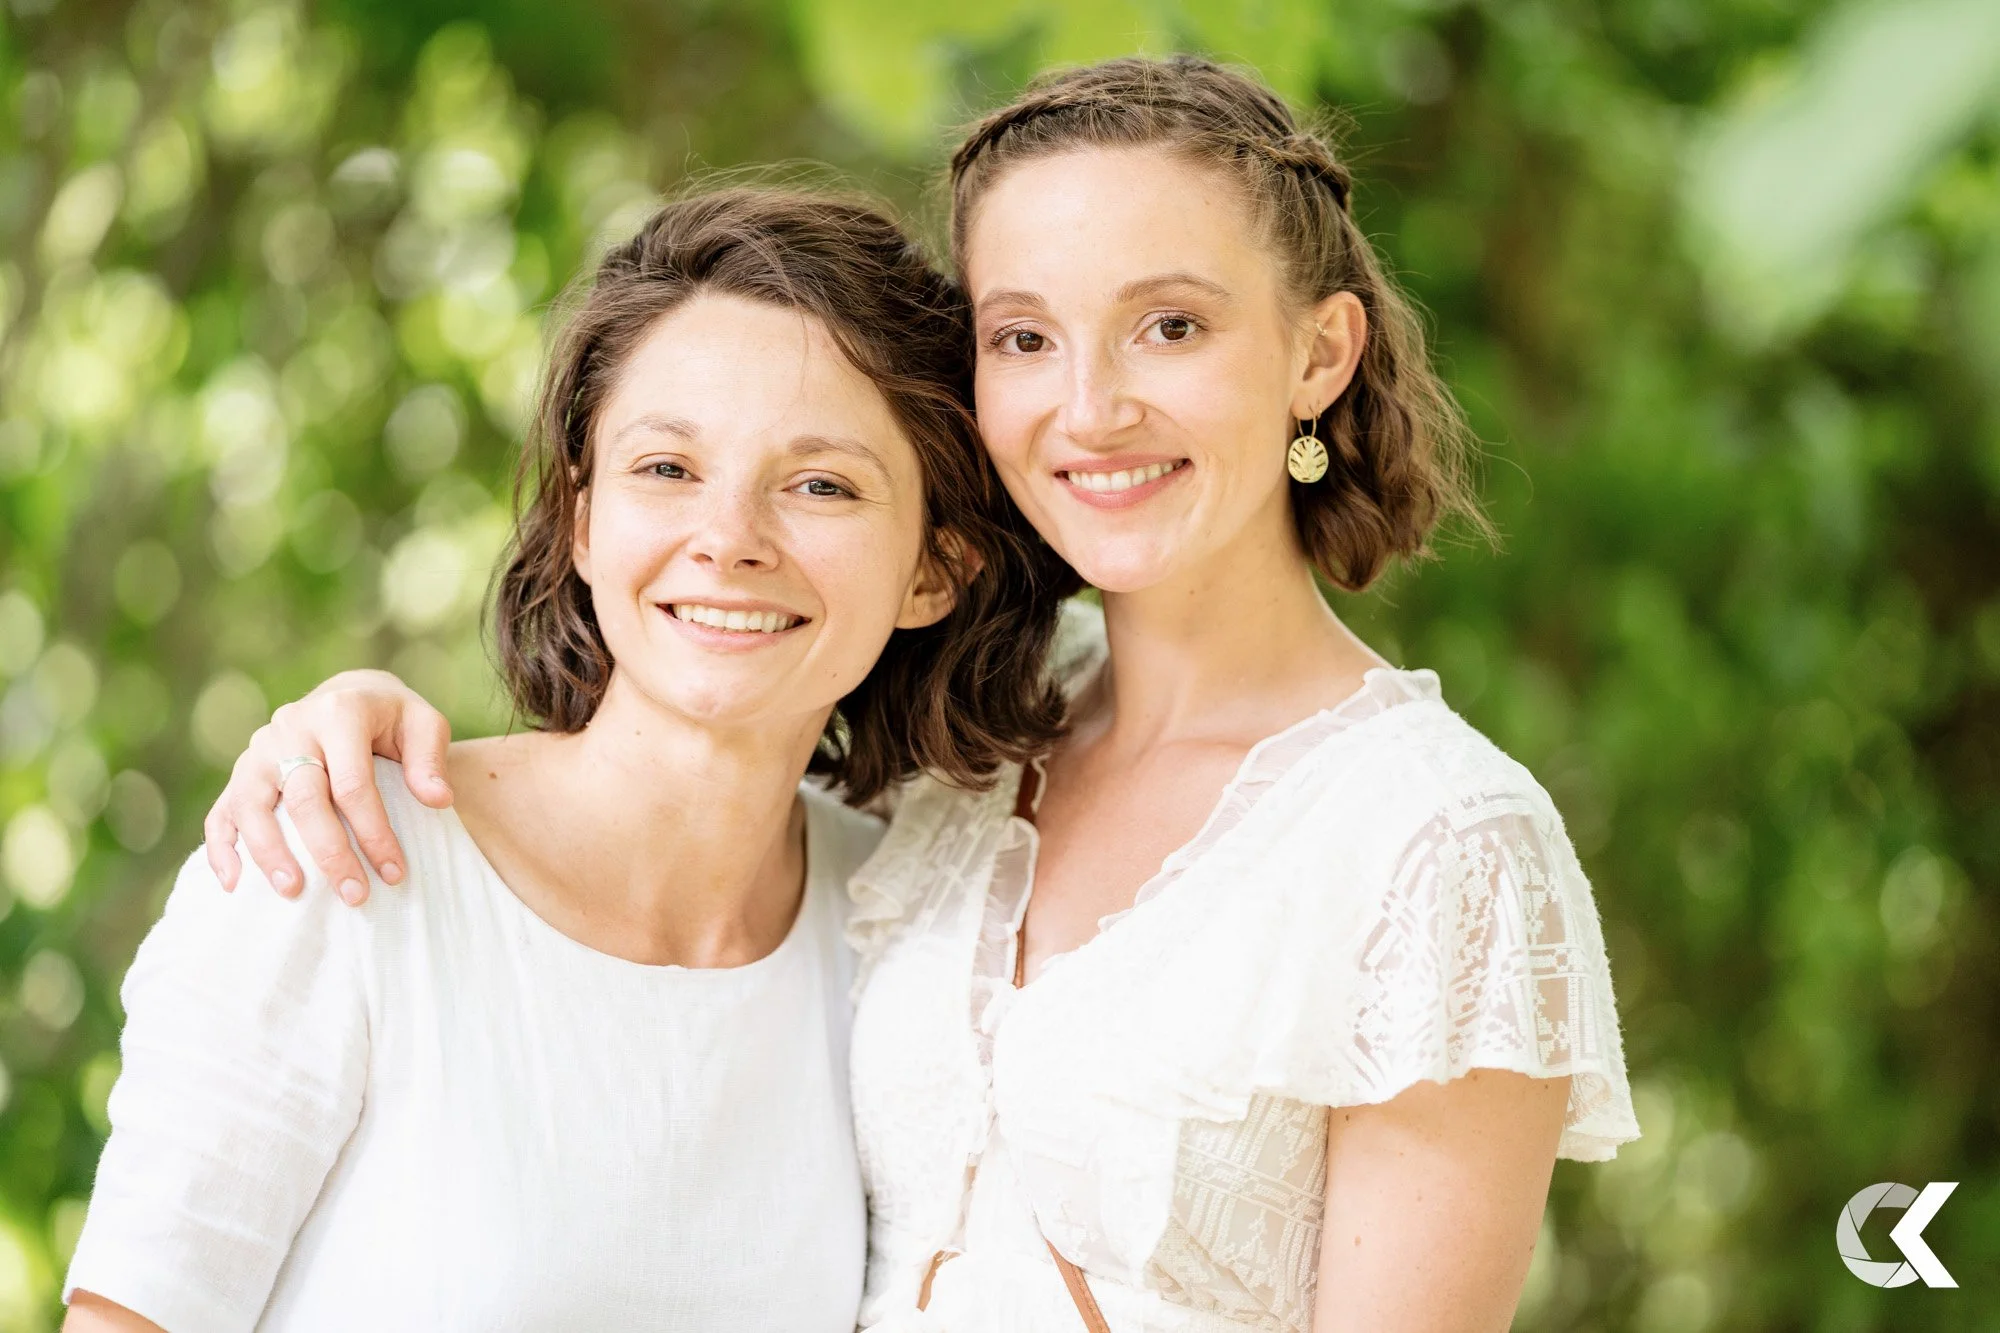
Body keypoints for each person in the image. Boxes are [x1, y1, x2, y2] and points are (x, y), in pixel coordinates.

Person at [203, 56, 1640, 1333]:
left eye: (1172, 328)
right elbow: (679, 757)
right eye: (1025, 337)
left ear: (1320, 352)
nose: (1090, 406)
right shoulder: (955, 760)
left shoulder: (1436, 846)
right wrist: (348, 721)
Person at [62, 187, 1072, 1333]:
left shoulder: (900, 928)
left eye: (820, 484)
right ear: (584, 523)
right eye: (666, 468)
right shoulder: (341, 856)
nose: (730, 536)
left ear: (932, 571)